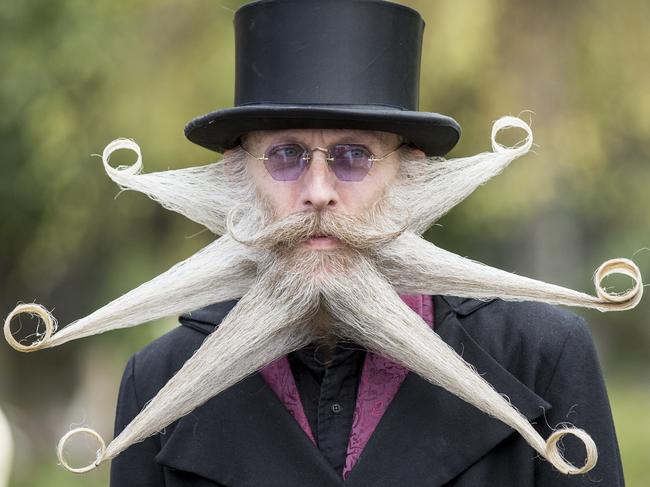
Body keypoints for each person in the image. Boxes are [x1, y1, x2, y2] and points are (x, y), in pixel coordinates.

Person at [106, 1, 626, 486]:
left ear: (410, 175)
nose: (317, 193)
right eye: (285, 156)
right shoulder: (157, 379)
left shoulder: (539, 355)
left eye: (353, 156)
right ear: (240, 176)